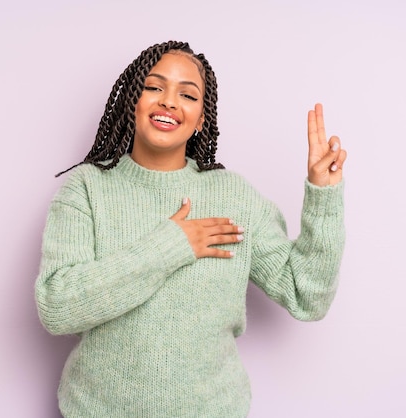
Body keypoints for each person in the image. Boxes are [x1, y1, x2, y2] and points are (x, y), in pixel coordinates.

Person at [35, 40, 347, 417]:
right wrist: (171, 245)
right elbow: (57, 307)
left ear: (201, 118)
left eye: (187, 94)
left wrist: (323, 197)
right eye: (154, 87)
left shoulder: (234, 197)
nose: (168, 101)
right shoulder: (86, 188)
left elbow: (306, 294)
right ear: (133, 99)